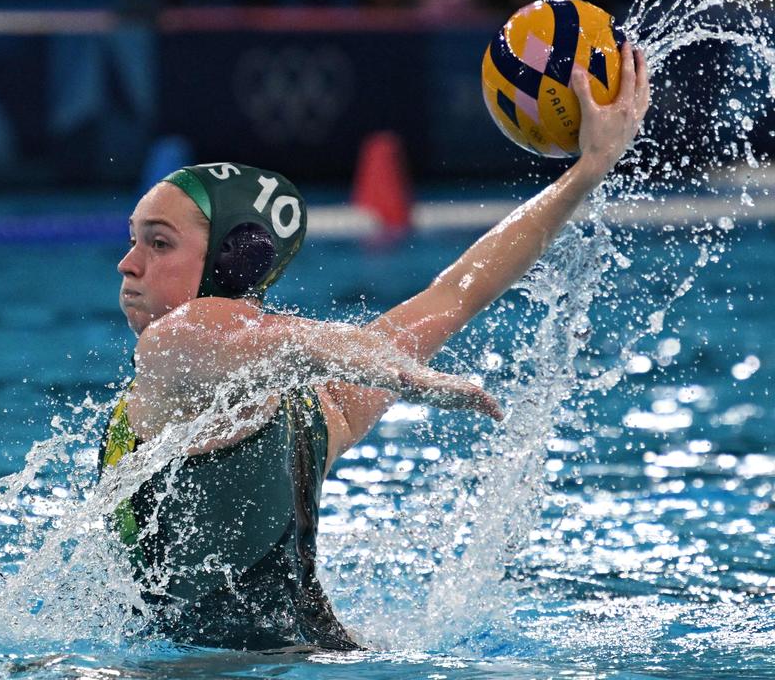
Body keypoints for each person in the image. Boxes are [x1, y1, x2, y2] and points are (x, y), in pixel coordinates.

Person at [100, 42, 651, 650]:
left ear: (231, 262)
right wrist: (589, 169)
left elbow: (297, 334)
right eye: (134, 239)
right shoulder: (322, 408)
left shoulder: (173, 344)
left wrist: (410, 378)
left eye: (158, 243)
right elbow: (452, 297)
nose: (128, 264)